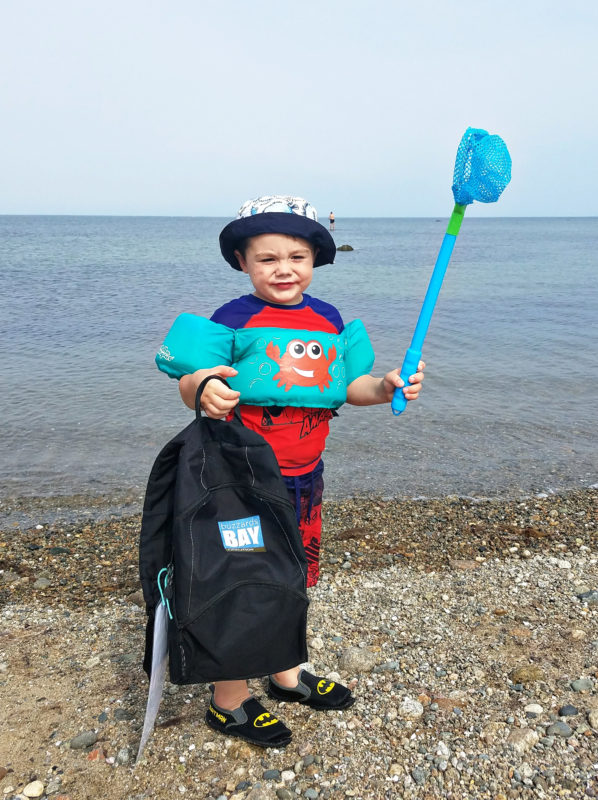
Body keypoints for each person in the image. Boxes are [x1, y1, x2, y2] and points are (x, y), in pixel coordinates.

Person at [156, 195, 425, 747]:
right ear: (242, 262)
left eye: (296, 256)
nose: (283, 268)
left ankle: (284, 674)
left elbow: (350, 389)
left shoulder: (328, 320)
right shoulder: (233, 319)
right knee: (240, 583)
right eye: (267, 258)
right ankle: (228, 701)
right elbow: (189, 382)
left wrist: (389, 386)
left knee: (294, 577)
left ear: (314, 260)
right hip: (238, 484)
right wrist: (204, 389)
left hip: (303, 478)